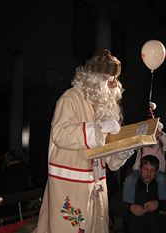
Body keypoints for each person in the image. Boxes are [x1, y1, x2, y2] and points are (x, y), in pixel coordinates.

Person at [33, 49, 134, 233]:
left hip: (97, 188)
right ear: (94, 78)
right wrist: (99, 129)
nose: (114, 85)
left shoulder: (104, 107)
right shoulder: (70, 98)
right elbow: (60, 133)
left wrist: (123, 149)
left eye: (115, 80)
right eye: (109, 79)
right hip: (70, 186)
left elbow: (109, 162)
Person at [109, 155, 166, 233]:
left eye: (152, 170)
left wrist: (158, 204)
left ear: (156, 172)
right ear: (140, 169)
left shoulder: (161, 186)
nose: (148, 173)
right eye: (146, 169)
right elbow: (113, 205)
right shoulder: (131, 185)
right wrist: (130, 207)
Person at [123, 121, 166, 203]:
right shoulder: (143, 143)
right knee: (130, 179)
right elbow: (133, 144)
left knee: (162, 179)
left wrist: (160, 134)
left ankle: (161, 205)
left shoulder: (162, 145)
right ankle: (128, 204)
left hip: (158, 171)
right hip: (139, 170)